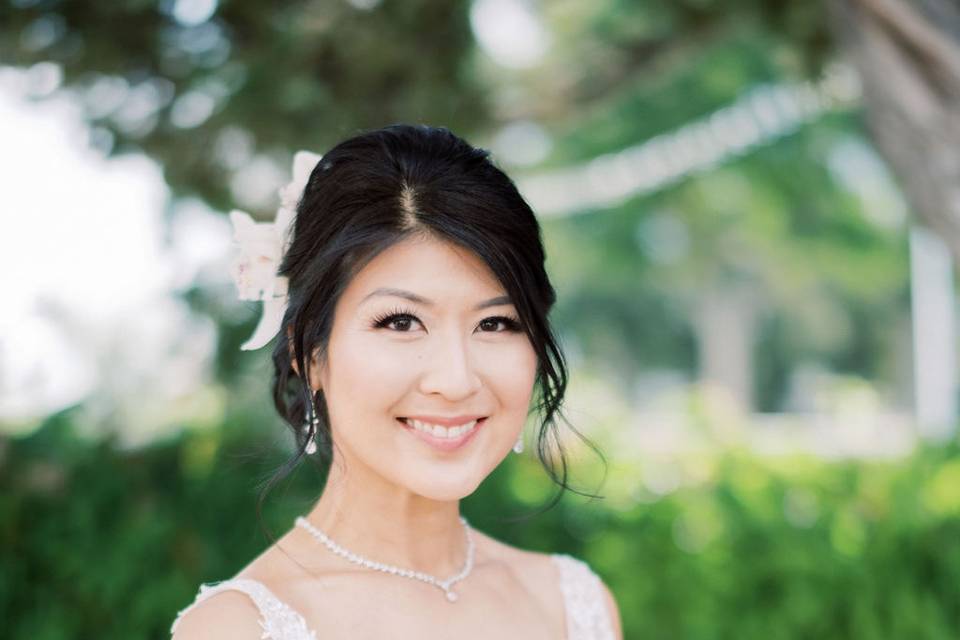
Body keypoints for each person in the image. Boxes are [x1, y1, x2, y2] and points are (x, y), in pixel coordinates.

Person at [169, 124, 622, 639]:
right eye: (401, 322)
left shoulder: (573, 603)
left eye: (495, 323)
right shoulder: (238, 629)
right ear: (307, 353)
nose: (455, 380)